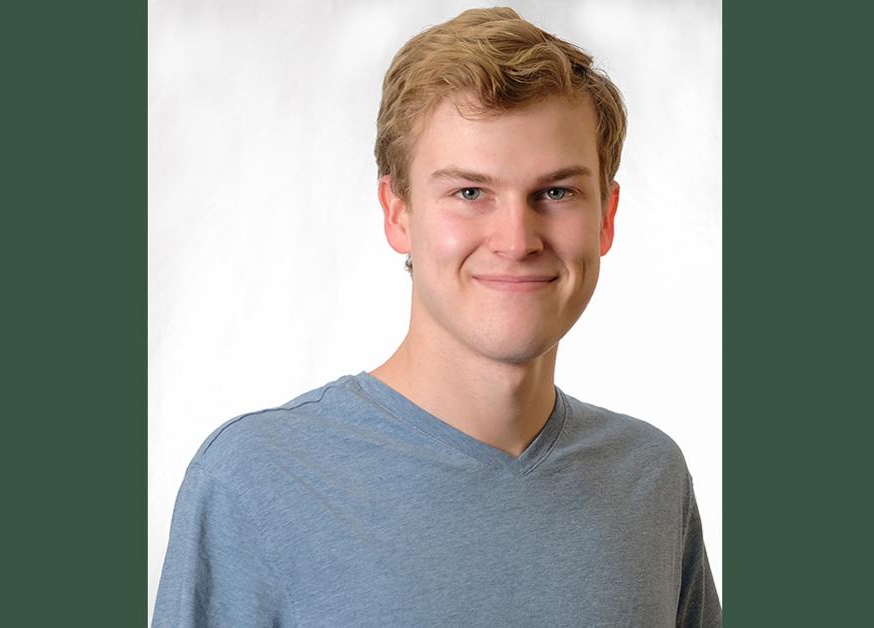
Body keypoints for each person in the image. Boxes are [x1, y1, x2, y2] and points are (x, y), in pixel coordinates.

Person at [152, 7, 720, 627]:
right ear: (398, 213)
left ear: (606, 216)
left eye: (556, 192)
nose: (515, 238)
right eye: (470, 192)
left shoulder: (649, 478)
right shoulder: (257, 482)